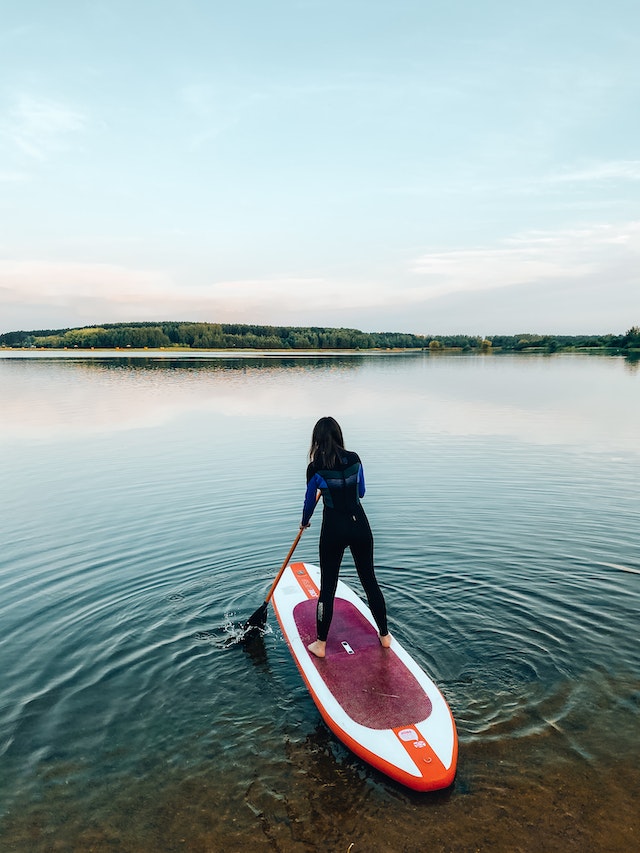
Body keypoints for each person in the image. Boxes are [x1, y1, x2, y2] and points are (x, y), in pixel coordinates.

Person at [301, 416, 391, 658]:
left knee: (328, 587)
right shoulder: (354, 458)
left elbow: (309, 502)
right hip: (359, 524)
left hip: (333, 528)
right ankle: (385, 636)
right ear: (339, 435)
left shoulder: (315, 467)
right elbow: (361, 492)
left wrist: (305, 521)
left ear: (317, 439)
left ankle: (320, 644)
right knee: (369, 581)